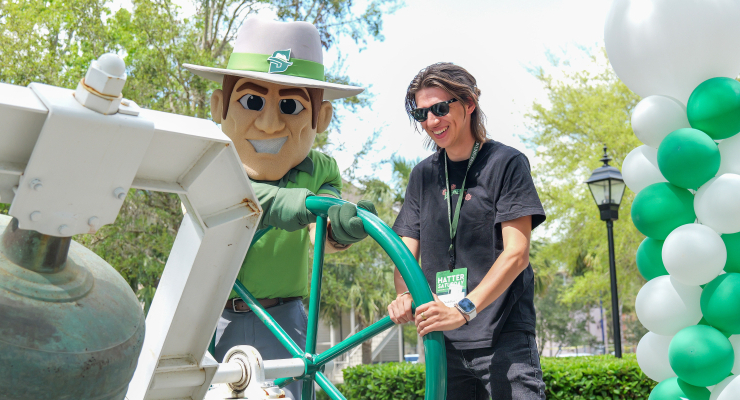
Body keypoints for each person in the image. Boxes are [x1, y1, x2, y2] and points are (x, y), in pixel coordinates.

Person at [184, 18, 376, 399]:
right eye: (252, 101)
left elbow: (321, 235)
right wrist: (308, 205)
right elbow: (254, 202)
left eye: (289, 105)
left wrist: (343, 227)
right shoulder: (208, 160)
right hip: (209, 318)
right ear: (220, 107)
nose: (270, 123)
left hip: (283, 321)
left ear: (320, 118)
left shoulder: (322, 170)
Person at [387, 62, 546, 400]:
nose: (432, 121)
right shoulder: (422, 176)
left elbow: (516, 254)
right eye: (422, 114)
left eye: (441, 108)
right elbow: (404, 253)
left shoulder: (506, 163)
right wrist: (403, 294)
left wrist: (463, 309)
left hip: (504, 337)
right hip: (443, 342)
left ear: (469, 103)